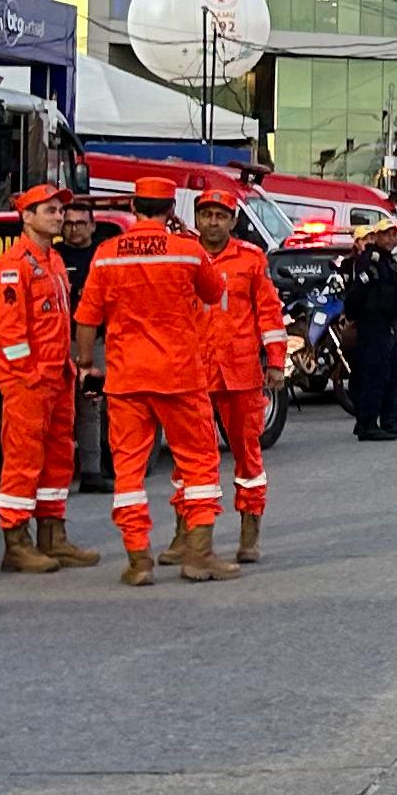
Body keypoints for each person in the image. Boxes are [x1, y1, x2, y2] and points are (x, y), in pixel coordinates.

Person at [72, 171, 233, 585]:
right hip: (180, 375)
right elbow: (214, 293)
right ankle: (198, 556)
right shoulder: (186, 251)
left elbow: (87, 318)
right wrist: (187, 240)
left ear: (132, 207)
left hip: (126, 378)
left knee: (128, 469)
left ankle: (138, 559)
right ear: (171, 210)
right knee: (198, 463)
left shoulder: (107, 254)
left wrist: (87, 363)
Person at [0, 181, 99, 573]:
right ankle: (16, 542)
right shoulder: (14, 266)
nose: (60, 217)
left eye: (60, 210)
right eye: (50, 211)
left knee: (57, 459)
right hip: (29, 382)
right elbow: (10, 331)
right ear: (27, 217)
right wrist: (28, 374)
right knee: (22, 460)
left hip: (57, 376)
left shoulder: (51, 261)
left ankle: (53, 536)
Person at [194, 183, 288, 561]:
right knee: (194, 458)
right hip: (195, 372)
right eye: (206, 215)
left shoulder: (251, 259)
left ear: (233, 221)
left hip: (241, 372)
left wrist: (277, 362)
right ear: (197, 218)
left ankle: (249, 534)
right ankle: (190, 535)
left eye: (221, 216)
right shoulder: (185, 257)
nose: (213, 222)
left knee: (248, 457)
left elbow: (269, 314)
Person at [344, 225, 397, 440]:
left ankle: (390, 419)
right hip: (373, 324)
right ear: (379, 236)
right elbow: (357, 294)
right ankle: (367, 424)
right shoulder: (370, 260)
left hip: (387, 324)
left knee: (391, 374)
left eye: (396, 235)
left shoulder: (388, 260)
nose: (394, 238)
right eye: (389, 234)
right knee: (374, 375)